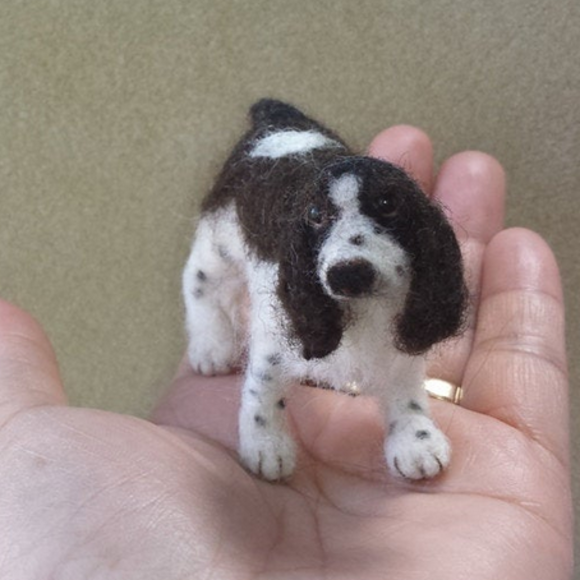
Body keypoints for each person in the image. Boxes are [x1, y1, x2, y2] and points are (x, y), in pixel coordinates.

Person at [0, 126, 572, 580]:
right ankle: (214, 329)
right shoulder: (283, 295)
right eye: (326, 222)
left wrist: (407, 414)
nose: (351, 249)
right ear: (305, 241)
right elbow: (270, 365)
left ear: (422, 234)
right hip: (254, 181)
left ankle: (411, 426)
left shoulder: (408, 288)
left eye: (385, 215)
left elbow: (403, 365)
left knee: (397, 364)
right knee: (212, 263)